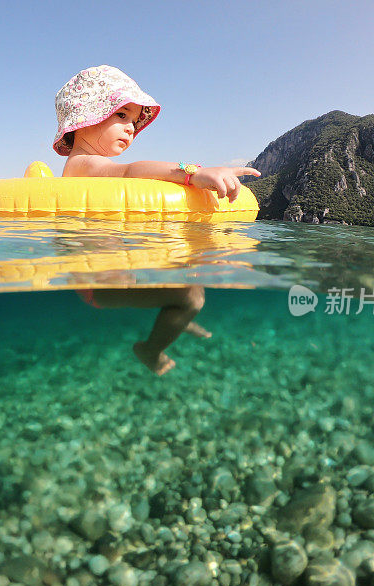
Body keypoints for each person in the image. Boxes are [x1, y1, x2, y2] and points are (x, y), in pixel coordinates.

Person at [53, 65, 260, 375]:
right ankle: (151, 349)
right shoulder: (84, 164)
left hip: (112, 272)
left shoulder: (89, 165)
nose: (131, 128)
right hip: (99, 285)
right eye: (121, 115)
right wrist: (192, 173)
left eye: (135, 122)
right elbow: (130, 170)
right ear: (84, 121)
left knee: (188, 275)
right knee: (192, 297)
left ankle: (174, 319)